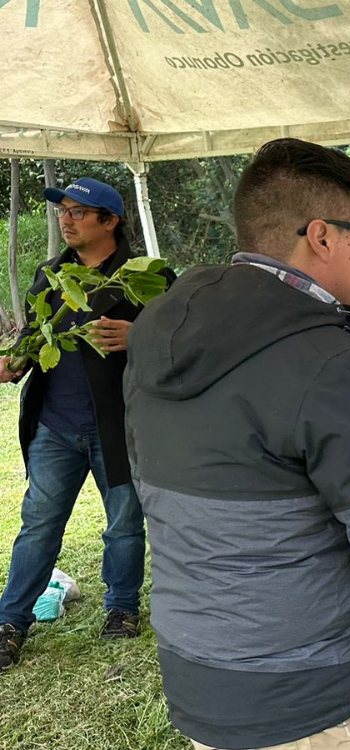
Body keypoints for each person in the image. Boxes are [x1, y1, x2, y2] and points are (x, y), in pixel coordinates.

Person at [122, 138, 350, 750]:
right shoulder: (331, 365)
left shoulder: (157, 332)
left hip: (196, 672)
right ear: (323, 237)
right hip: (304, 696)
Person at [0, 177, 174, 672]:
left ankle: (121, 608)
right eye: (64, 211)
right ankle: (10, 621)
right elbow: (33, 341)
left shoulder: (150, 276)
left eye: (79, 211)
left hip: (120, 426)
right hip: (55, 426)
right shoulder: (51, 274)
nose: (67, 219)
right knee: (38, 527)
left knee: (123, 526)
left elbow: (189, 340)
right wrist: (14, 362)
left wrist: (141, 333)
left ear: (111, 220)